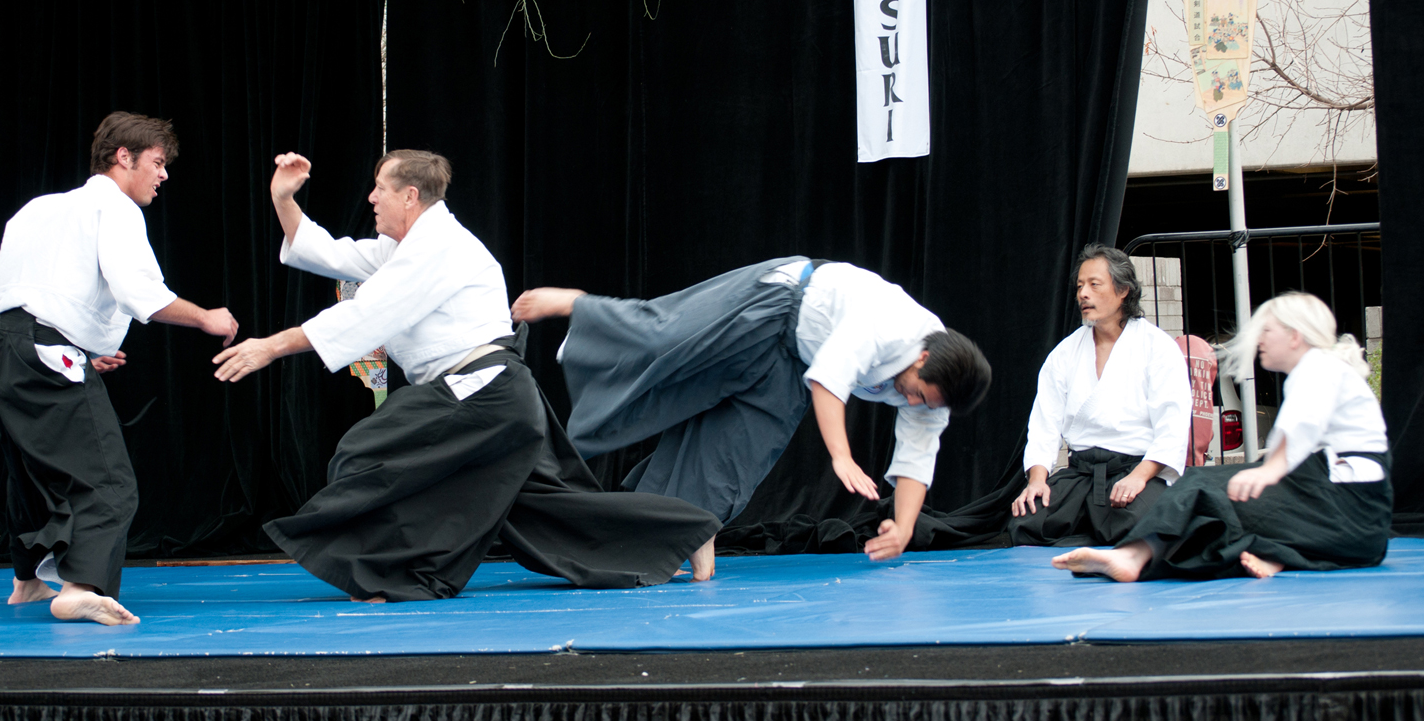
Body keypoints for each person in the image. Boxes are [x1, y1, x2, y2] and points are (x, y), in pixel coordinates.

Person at [212, 150, 722, 602]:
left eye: (379, 189)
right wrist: (284, 198)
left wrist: (271, 346)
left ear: (410, 196)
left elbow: (366, 316)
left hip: (481, 392)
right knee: (542, 511)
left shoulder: (440, 248)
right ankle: (684, 529)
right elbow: (327, 253)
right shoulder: (404, 249)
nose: (370, 198)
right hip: (496, 395)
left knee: (369, 453)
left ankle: (399, 571)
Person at [510, 258, 992, 562]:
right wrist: (841, 457)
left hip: (791, 361)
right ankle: (581, 306)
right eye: (916, 393)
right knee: (666, 338)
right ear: (924, 357)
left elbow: (917, 457)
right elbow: (830, 379)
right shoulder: (892, 322)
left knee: (735, 456)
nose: (911, 404)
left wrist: (904, 528)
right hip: (774, 302)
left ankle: (687, 532)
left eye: (923, 404)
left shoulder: (937, 390)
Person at [0, 112, 240, 626]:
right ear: (125, 157)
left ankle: (27, 581)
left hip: (1, 352)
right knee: (108, 480)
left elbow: (13, 297)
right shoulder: (113, 206)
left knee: (32, 472)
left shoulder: (37, 209)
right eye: (158, 163)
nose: (163, 176)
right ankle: (81, 586)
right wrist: (206, 317)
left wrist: (65, 347)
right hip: (42, 348)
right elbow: (138, 291)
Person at [1054, 292, 1390, 581]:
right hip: (1356, 530)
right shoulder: (1319, 372)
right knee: (1227, 506)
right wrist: (1268, 468)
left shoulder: (1319, 369)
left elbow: (1303, 425)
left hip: (1349, 515)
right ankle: (1276, 554)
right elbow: (1298, 435)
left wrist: (1269, 470)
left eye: (1267, 331)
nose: (1259, 340)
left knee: (1204, 485)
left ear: (1294, 336)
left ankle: (1135, 556)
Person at [1008, 244, 1192, 547]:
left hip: (1136, 470)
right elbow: (1045, 425)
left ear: (1122, 291)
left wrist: (1140, 477)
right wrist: (1037, 480)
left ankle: (1091, 537)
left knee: (1137, 526)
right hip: (1081, 473)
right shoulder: (1065, 353)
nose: (1083, 294)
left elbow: (1172, 427)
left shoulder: (1157, 347)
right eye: (1080, 286)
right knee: (1027, 522)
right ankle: (1091, 534)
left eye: (1094, 284)